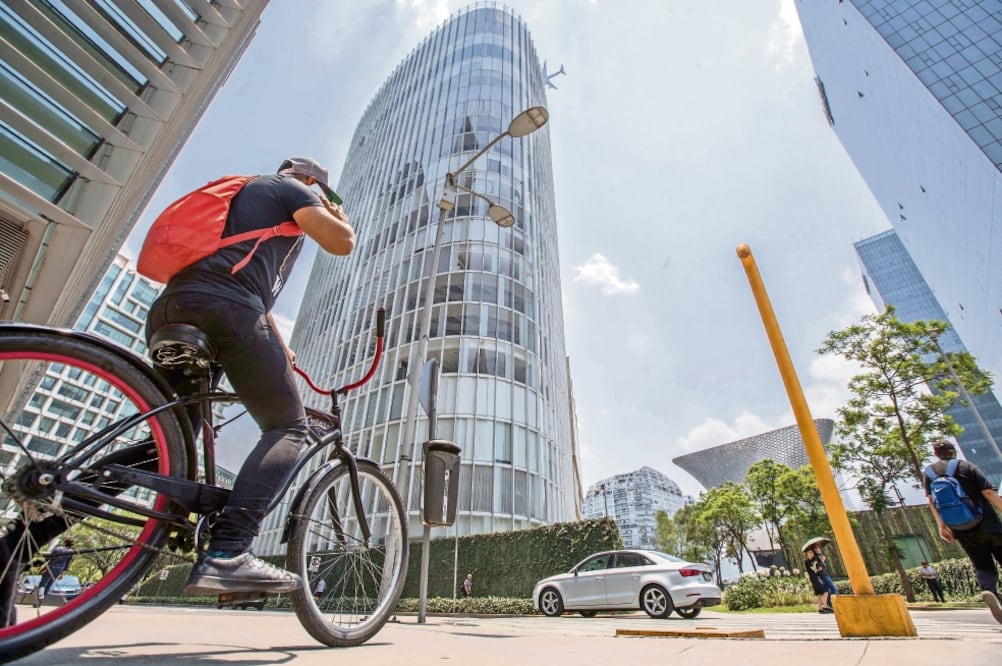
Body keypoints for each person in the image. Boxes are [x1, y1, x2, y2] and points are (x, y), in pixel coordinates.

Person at [145, 157, 355, 596]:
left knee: (166, 443)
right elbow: (341, 244)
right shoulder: (291, 190)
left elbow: (243, 279)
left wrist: (276, 342)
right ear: (312, 181)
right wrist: (338, 216)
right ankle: (229, 552)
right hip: (226, 308)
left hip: (174, 306)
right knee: (288, 426)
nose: (322, 200)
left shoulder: (247, 196)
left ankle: (48, 514)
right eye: (323, 193)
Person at [924, 440, 1002, 625]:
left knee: (982, 565)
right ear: (953, 451)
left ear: (936, 454)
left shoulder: (929, 472)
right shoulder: (966, 466)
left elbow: (932, 501)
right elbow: (989, 494)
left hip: (962, 529)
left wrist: (941, 526)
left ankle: (989, 590)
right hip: (988, 524)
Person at [36, 538, 75, 605]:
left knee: (43, 583)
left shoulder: (58, 549)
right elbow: (67, 564)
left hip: (51, 567)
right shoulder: (71, 552)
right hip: (59, 570)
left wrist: (41, 564)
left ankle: (40, 596)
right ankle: (42, 599)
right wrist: (62, 574)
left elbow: (49, 558)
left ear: (64, 542)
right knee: (49, 584)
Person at [804, 548, 833, 613]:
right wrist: (815, 564)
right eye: (810, 553)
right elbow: (813, 569)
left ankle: (820, 608)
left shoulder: (811, 560)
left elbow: (815, 570)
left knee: (819, 593)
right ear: (807, 554)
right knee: (825, 590)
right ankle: (825, 606)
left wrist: (819, 567)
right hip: (815, 579)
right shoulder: (807, 561)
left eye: (812, 553)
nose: (812, 554)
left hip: (815, 578)